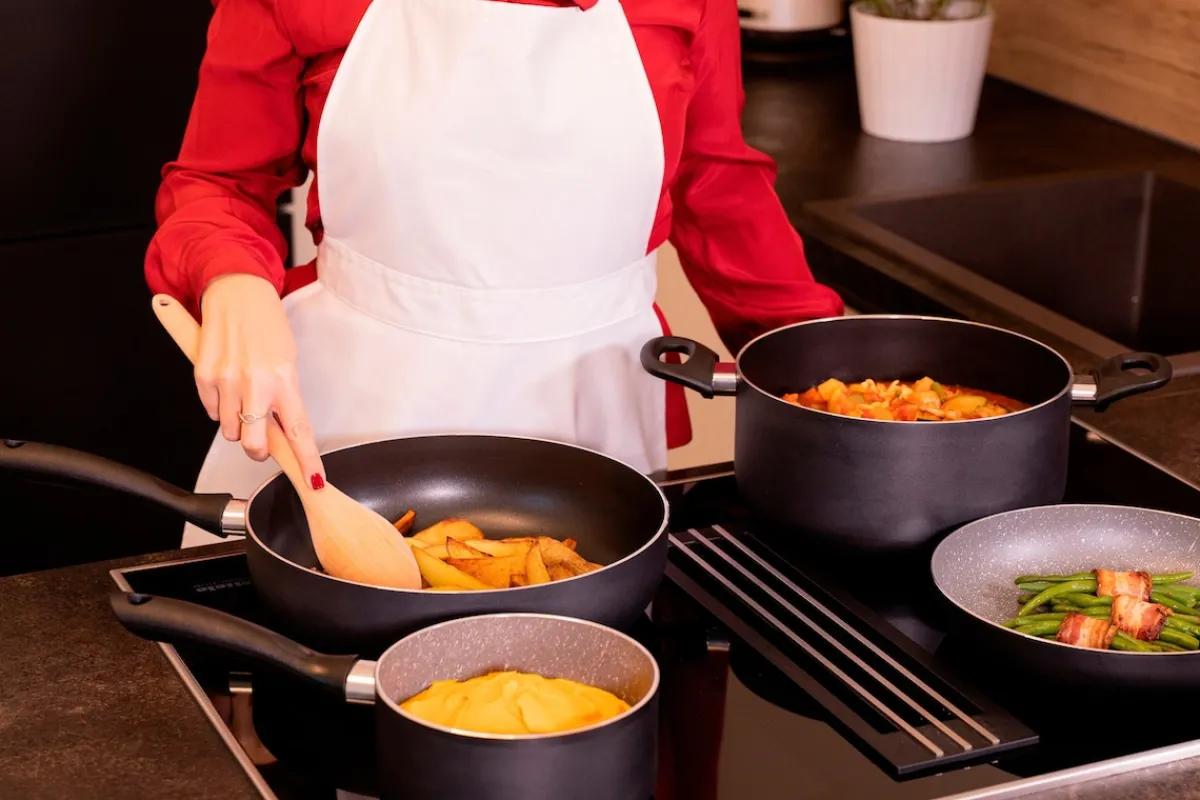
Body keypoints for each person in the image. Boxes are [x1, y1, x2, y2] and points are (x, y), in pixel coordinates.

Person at [148, 0, 844, 547]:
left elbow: (715, 181)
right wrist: (231, 279)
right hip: (350, 422)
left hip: (596, 422)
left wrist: (829, 375)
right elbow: (219, 182)